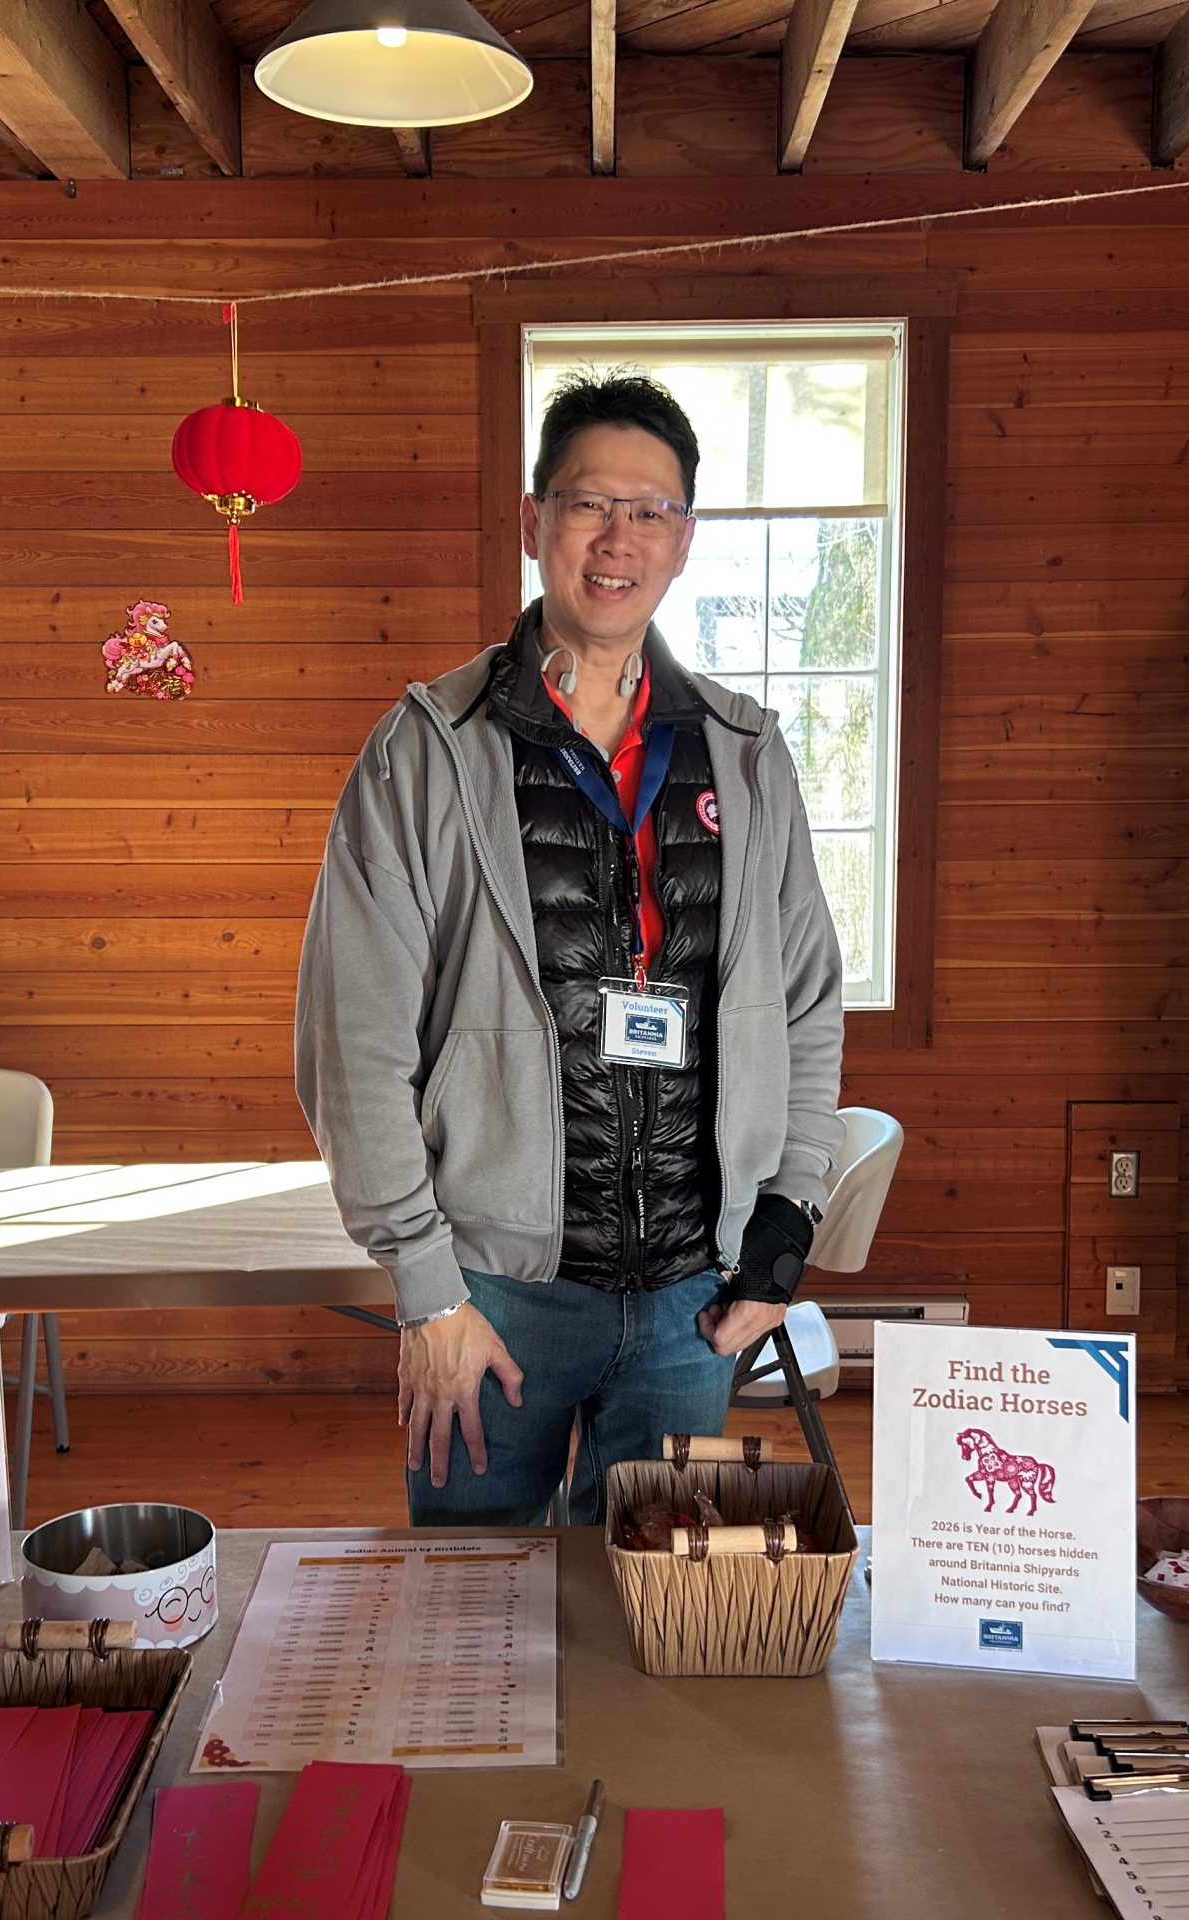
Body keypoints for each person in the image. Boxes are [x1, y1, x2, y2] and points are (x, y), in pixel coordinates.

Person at [296, 370, 847, 1526]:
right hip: (493, 1292)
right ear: (533, 521)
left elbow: (804, 1009)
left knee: (646, 1632)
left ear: (685, 539)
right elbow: (354, 1045)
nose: (618, 538)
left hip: (693, 1302)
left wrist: (781, 1240)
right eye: (590, 503)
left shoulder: (746, 757)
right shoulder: (424, 753)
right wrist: (426, 1291)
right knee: (465, 1625)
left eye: (651, 511)